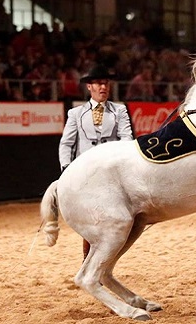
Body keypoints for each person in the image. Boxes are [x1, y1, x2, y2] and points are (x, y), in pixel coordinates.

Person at [58, 64, 134, 260]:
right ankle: (88, 258)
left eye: (106, 83)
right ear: (89, 87)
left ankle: (98, 258)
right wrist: (66, 168)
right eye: (99, 83)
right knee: (91, 217)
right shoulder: (75, 114)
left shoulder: (120, 110)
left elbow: (127, 138)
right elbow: (66, 144)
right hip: (86, 173)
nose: (104, 87)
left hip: (110, 172)